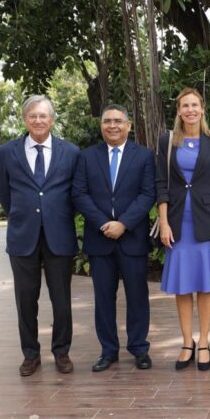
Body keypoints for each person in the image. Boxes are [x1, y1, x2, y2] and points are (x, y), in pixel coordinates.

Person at [0, 95, 80, 377]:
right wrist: (23, 216)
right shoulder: (7, 151)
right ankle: (30, 354)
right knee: (25, 299)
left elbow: (75, 194)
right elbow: (4, 194)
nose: (38, 120)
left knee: (61, 299)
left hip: (59, 235)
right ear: (24, 120)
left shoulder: (70, 152)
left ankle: (61, 352)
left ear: (52, 120)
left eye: (43, 116)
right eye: (32, 116)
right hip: (23, 236)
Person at [72, 104, 157, 372]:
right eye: (107, 121)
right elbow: (79, 194)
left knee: (137, 296)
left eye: (118, 121)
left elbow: (147, 194)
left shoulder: (143, 156)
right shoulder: (87, 157)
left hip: (132, 238)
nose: (112, 126)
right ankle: (108, 351)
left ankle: (139, 348)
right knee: (104, 298)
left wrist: (124, 223)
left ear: (128, 125)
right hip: (100, 240)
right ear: (101, 125)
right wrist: (103, 223)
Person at [156, 88, 210, 371]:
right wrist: (163, 222)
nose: (190, 110)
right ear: (178, 111)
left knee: (205, 286)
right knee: (183, 287)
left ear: (202, 108)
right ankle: (187, 342)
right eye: (184, 105)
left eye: (194, 105)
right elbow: (161, 183)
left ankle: (205, 342)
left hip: (206, 222)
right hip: (176, 223)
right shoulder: (167, 142)